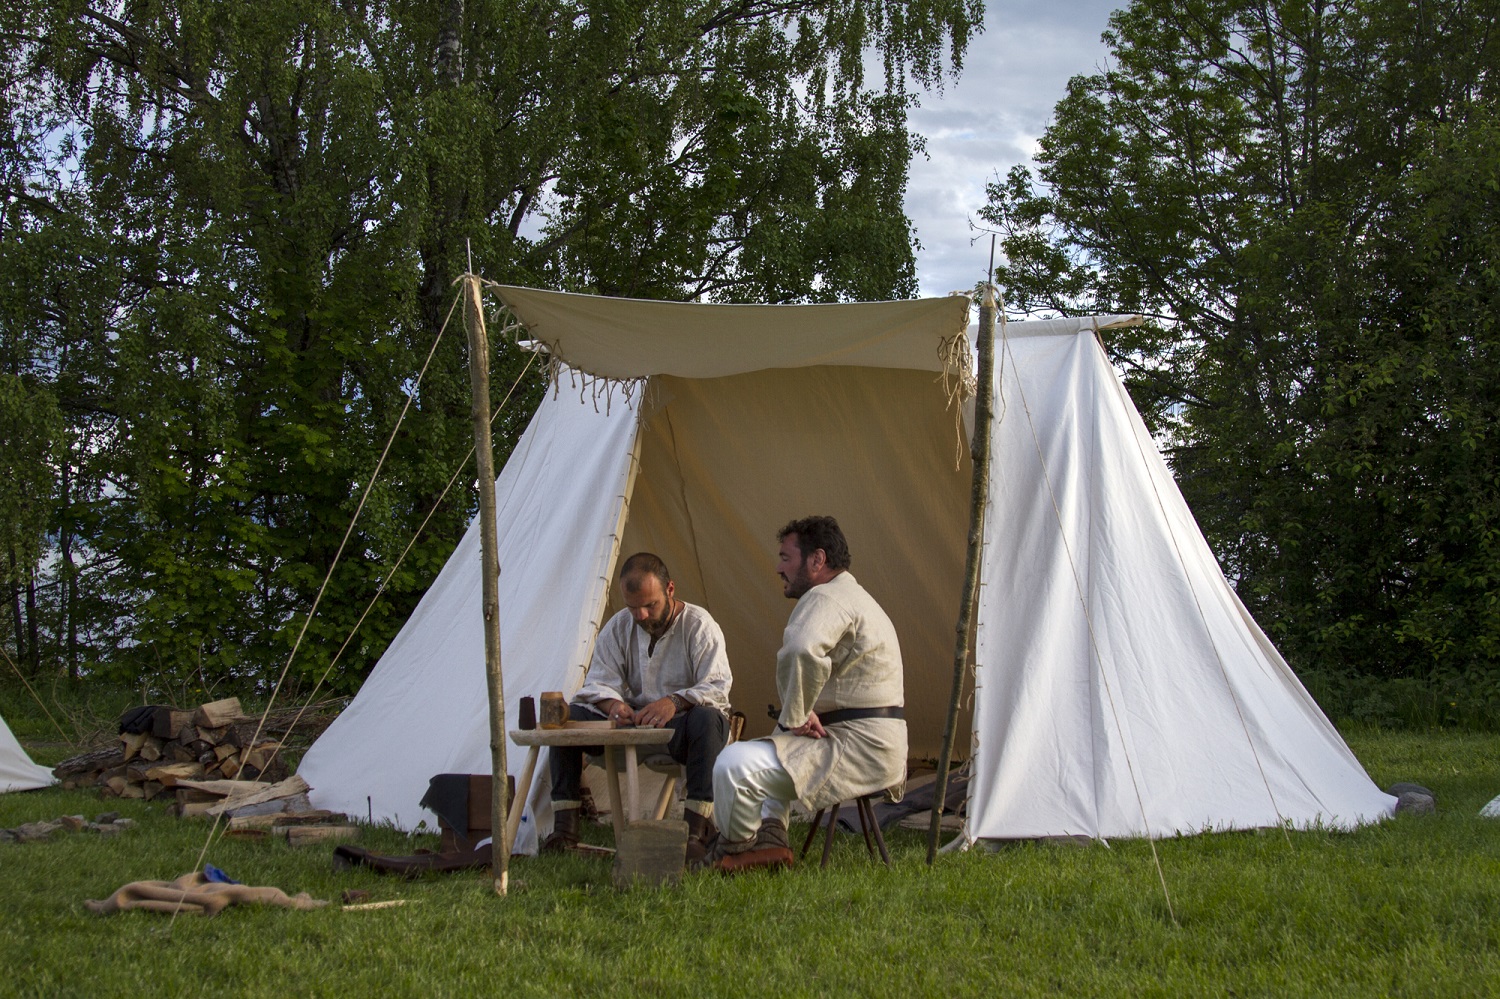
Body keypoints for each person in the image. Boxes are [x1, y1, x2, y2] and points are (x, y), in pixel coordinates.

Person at [704, 516, 907, 872]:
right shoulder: (852, 596)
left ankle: (738, 849)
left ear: (817, 560)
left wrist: (796, 715)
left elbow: (801, 649)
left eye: (786, 557)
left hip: (860, 745)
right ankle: (770, 840)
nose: (778, 567)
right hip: (873, 742)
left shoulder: (827, 596)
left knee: (732, 765)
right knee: (773, 744)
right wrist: (796, 717)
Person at [542, 552, 732, 858]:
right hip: (628, 729)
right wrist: (612, 705)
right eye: (633, 607)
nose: (641, 615)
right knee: (568, 720)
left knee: (708, 720)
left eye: (650, 605)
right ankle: (565, 831)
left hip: (680, 732)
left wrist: (674, 702)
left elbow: (718, 686)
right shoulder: (619, 626)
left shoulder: (699, 626)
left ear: (670, 589)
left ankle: (695, 834)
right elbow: (598, 681)